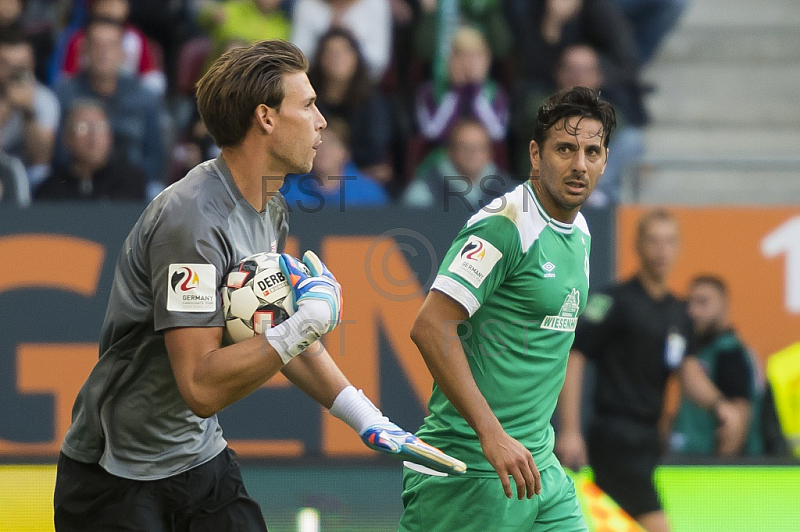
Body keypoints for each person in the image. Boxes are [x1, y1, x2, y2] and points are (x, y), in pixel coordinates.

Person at [53, 40, 464, 531]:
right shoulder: (193, 221)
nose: (322, 122)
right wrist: (304, 324)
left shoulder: (271, 206)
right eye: (308, 105)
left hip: (197, 457)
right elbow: (201, 386)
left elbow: (275, 330)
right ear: (266, 118)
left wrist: (366, 418)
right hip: (115, 477)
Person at [399, 86, 615, 531]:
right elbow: (430, 327)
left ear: (605, 160)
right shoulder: (505, 225)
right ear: (536, 154)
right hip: (469, 473)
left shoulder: (581, 230)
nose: (580, 164)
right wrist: (491, 435)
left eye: (592, 151)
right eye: (565, 149)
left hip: (538, 469)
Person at [558, 210, 744, 532]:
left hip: (647, 438)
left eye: (669, 242)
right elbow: (574, 357)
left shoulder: (677, 311)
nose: (661, 251)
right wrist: (570, 429)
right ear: (638, 245)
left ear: (678, 248)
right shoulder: (614, 301)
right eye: (653, 241)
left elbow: (688, 373)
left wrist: (719, 405)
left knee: (612, 525)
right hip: (615, 434)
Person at [55, 17, 166, 199]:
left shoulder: (145, 96)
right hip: (78, 181)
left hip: (133, 184)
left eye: (111, 45)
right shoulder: (64, 94)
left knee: (156, 192)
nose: (103, 53)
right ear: (84, 51)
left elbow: (155, 153)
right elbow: (59, 151)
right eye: (97, 45)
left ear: (122, 53)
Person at [670, 275, 764, 456]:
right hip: (686, 462)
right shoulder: (696, 351)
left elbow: (737, 420)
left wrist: (718, 472)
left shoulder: (730, 353)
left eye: (703, 303)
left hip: (708, 470)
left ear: (724, 306)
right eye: (690, 303)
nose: (693, 311)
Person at [306, 27, 393, 183]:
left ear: (356, 58)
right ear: (320, 58)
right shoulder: (306, 98)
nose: (336, 58)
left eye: (344, 52)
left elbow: (374, 149)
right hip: (308, 171)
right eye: (330, 52)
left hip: (361, 173)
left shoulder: (372, 101)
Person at [34, 99, 146, 201]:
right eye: (82, 128)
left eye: (100, 127)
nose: (93, 136)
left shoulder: (130, 180)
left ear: (110, 137)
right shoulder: (51, 190)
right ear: (66, 139)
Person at [54, 0, 167, 95]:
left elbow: (150, 79)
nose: (112, 8)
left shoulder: (136, 38)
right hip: (84, 96)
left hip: (128, 98)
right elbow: (67, 78)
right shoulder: (78, 39)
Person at [402, 117, 511, 211]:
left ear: (490, 153)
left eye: (479, 147)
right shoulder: (424, 191)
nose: (472, 154)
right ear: (450, 151)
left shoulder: (510, 191)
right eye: (464, 147)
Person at [281, 117, 389, 210]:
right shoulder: (289, 191)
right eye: (317, 144)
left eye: (331, 143)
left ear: (346, 152)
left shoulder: (368, 192)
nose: (324, 150)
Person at [0, 29, 60, 190]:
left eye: (21, 65)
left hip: (26, 176)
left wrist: (28, 112)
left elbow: (41, 159)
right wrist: (7, 106)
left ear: (32, 64)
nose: (14, 72)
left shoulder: (43, 99)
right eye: (6, 64)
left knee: (41, 172)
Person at [291, 0, 392, 80]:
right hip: (316, 84)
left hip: (362, 88)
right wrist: (326, 44)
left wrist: (349, 40)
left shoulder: (376, 4)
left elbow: (378, 61)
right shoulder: (307, 4)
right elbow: (297, 58)